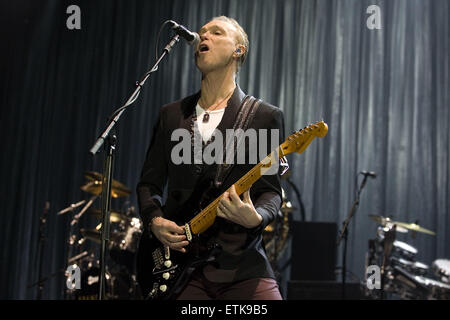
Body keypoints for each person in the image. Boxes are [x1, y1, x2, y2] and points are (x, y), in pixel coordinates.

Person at [136, 16, 285, 300]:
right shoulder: (171, 115)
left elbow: (270, 192)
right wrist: (154, 220)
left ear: (238, 50)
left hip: (241, 263)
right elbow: (149, 184)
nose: (204, 37)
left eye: (216, 33)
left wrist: (255, 217)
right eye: (202, 33)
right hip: (179, 265)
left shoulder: (265, 117)